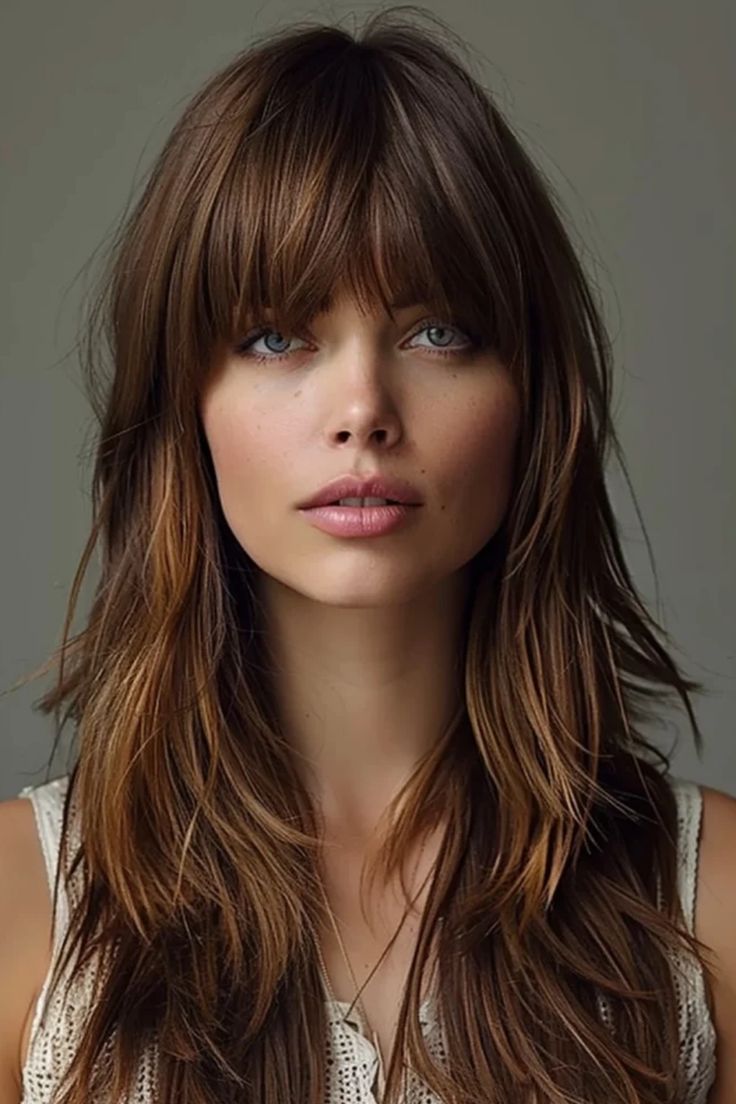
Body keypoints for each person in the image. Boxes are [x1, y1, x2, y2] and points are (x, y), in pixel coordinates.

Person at [0, 7, 734, 1103]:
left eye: (438, 331)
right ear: (182, 401)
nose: (361, 409)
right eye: (275, 335)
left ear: (532, 398)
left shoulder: (709, 904)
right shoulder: (24, 909)